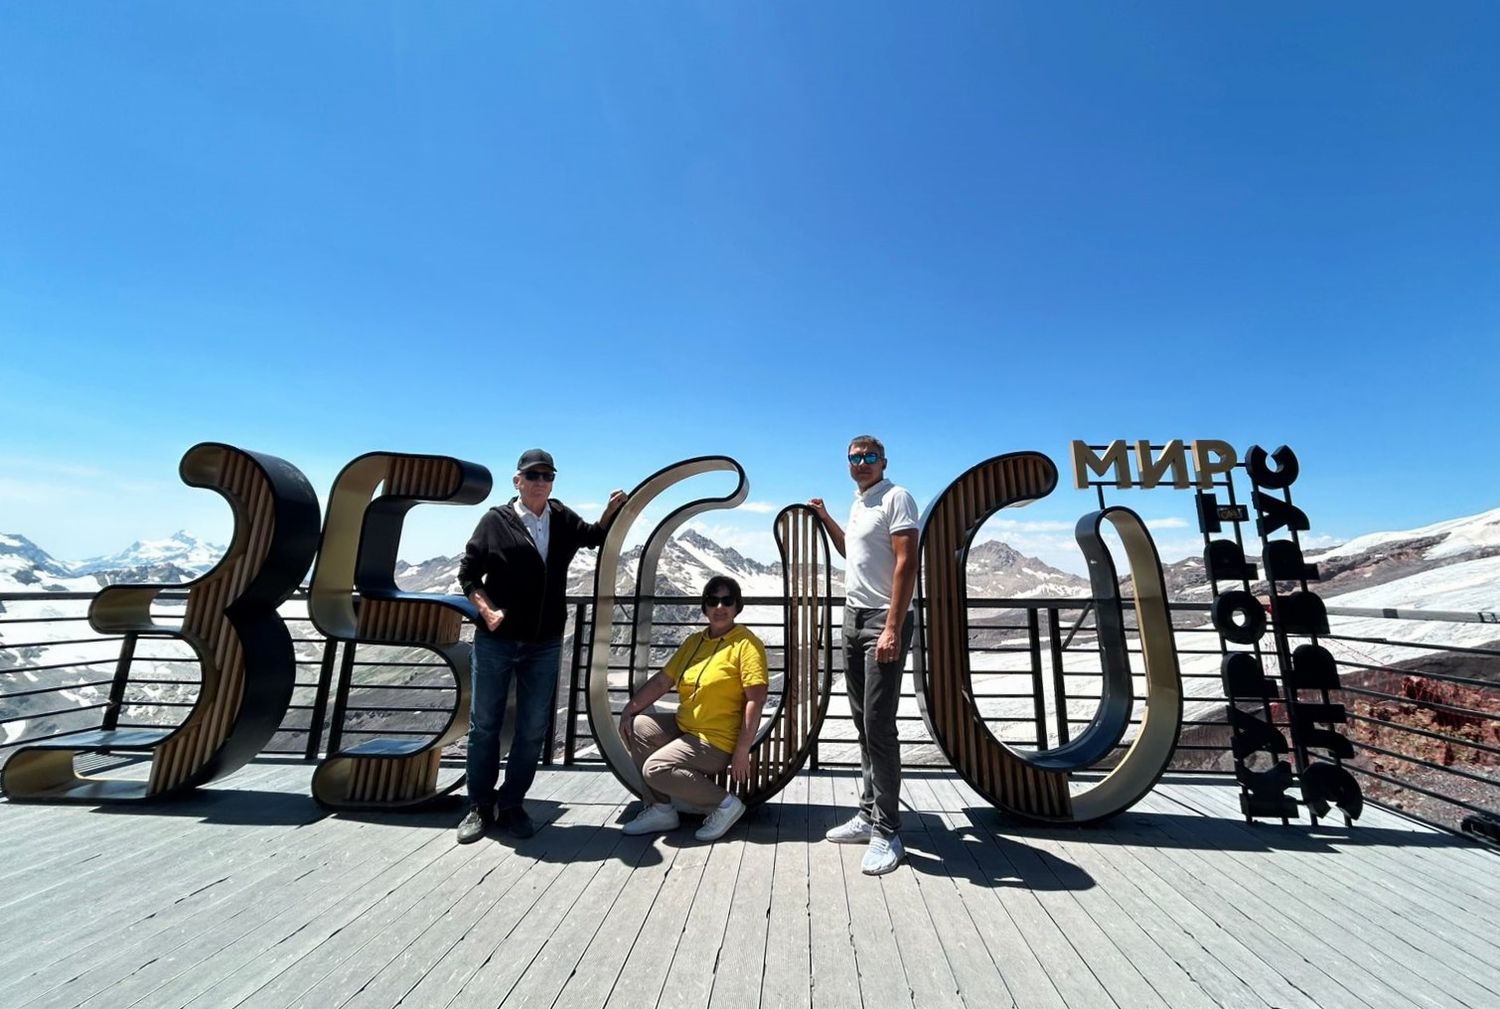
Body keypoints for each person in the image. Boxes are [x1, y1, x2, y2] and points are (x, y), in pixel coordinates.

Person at [456, 449, 627, 843]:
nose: (540, 482)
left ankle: (512, 804)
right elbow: (468, 574)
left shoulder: (561, 518)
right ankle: (479, 805)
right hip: (497, 641)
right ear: (517, 481)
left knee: (533, 728)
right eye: (532, 475)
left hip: (544, 641)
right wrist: (487, 610)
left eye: (547, 476)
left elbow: (594, 537)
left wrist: (610, 510)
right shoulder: (495, 521)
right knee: (485, 725)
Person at [808, 435, 919, 875]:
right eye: (855, 458)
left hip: (882, 620)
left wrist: (892, 626)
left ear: (884, 461)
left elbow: (907, 562)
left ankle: (888, 832)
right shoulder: (859, 503)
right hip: (852, 619)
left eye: (870, 457)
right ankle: (869, 813)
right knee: (862, 723)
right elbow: (849, 551)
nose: (862, 463)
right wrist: (825, 518)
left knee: (879, 726)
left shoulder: (896, 498)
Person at [617, 575, 769, 842]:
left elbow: (755, 699)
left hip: (716, 740)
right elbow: (663, 681)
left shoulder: (746, 644)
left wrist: (742, 750)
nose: (719, 607)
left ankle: (725, 804)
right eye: (712, 600)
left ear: (737, 606)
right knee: (639, 726)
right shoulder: (694, 642)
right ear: (705, 606)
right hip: (687, 728)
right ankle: (661, 809)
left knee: (655, 769)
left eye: (727, 601)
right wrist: (630, 709)